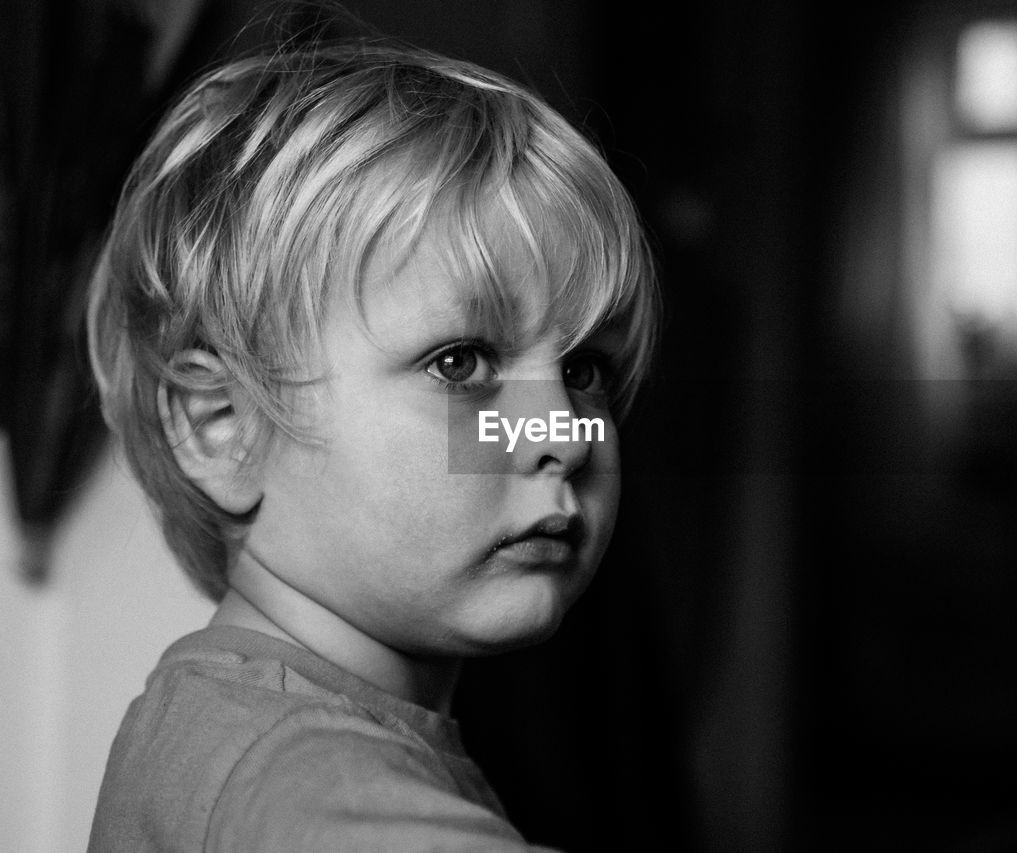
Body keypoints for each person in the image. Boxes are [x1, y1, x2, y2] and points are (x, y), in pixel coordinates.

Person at [84, 34, 658, 852]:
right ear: (225, 429)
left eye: (586, 369)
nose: (561, 431)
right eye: (460, 362)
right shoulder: (301, 775)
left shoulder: (234, 726)